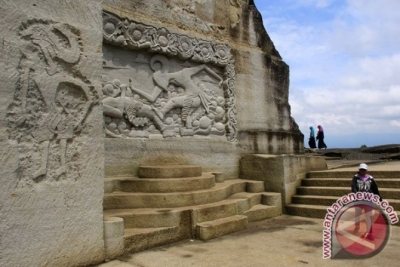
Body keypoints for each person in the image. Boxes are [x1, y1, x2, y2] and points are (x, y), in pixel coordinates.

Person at [351, 163, 382, 240]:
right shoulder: (355, 178)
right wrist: (357, 195)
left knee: (368, 217)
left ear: (366, 170)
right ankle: (357, 226)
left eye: (364, 170)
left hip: (368, 200)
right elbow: (353, 187)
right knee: (357, 215)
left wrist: (379, 197)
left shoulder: (370, 178)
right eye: (361, 169)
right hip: (358, 200)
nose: (362, 171)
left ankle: (370, 233)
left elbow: (375, 188)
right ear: (359, 170)